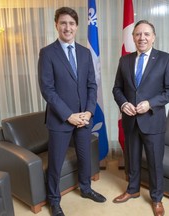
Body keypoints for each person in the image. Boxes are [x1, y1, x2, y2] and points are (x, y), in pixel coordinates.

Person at [38, 7, 106, 216]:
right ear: (56, 25)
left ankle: (85, 188)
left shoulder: (85, 53)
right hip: (61, 120)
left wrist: (88, 111)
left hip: (84, 118)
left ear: (77, 27)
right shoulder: (47, 53)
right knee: (56, 162)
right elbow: (47, 89)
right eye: (63, 23)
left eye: (71, 24)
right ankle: (54, 200)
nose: (67, 27)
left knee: (85, 158)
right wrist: (69, 115)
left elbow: (91, 85)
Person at [112, 20, 169, 216]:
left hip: (153, 120)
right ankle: (132, 190)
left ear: (153, 37)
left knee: (155, 162)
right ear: (133, 37)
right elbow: (117, 88)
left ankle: (157, 199)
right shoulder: (125, 60)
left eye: (146, 34)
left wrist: (150, 103)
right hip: (130, 120)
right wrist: (123, 104)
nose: (142, 38)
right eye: (138, 34)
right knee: (132, 159)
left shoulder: (166, 59)